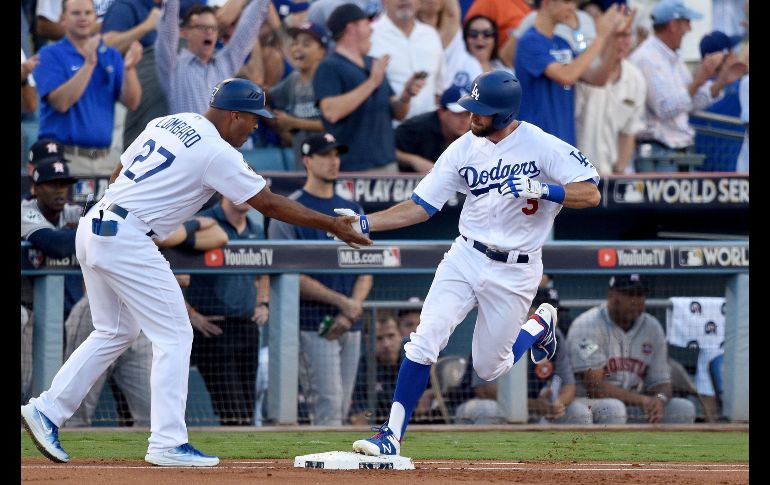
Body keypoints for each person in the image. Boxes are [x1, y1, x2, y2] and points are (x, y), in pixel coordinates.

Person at [20, 77, 371, 467]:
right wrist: (332, 225)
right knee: (174, 333)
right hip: (127, 233)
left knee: (116, 330)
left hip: (97, 224)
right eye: (253, 119)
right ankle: (167, 442)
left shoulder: (169, 121)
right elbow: (268, 203)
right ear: (234, 114)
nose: (256, 126)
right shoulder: (216, 151)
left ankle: (47, 410)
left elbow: (119, 170)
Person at [348, 69, 600, 456]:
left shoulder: (542, 145)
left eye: (481, 111)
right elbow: (420, 206)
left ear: (504, 114)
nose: (472, 116)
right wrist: (367, 223)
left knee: (489, 368)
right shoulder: (463, 148)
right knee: (425, 338)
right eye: (472, 107)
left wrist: (543, 187)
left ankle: (538, 325)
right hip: (466, 255)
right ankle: (390, 435)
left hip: (517, 268)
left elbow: (591, 194)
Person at [268, 132, 373, 425]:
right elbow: (288, 274)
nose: (333, 161)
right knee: (328, 405)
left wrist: (353, 307)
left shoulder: (352, 210)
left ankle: (334, 467)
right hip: (312, 323)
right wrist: (343, 303)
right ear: (307, 160)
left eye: (336, 155)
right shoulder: (290, 209)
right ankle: (323, 470)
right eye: (325, 155)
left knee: (342, 405)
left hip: (350, 323)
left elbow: (368, 265)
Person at [628, 0, 748, 172]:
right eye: (687, 23)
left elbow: (690, 104)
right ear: (673, 25)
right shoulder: (647, 58)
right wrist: (700, 80)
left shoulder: (673, 59)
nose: (689, 29)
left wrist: (721, 82)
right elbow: (666, 108)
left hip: (675, 153)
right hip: (658, 154)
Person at [32, 0, 143, 177]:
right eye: (76, 13)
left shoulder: (110, 54)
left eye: (88, 13)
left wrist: (129, 68)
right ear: (62, 19)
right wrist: (89, 63)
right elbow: (61, 103)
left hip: (105, 159)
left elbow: (132, 102)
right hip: (64, 160)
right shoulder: (49, 54)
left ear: (96, 18)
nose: (83, 18)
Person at [186, 196, 270, 426]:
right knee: (232, 411)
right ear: (224, 189)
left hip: (247, 327)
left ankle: (242, 461)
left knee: (247, 410)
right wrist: (191, 314)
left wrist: (263, 302)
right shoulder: (204, 222)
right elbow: (172, 270)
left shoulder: (256, 228)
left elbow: (266, 270)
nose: (245, 195)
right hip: (213, 329)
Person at [567, 274, 697, 424]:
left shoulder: (652, 327)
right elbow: (594, 387)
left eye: (640, 295)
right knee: (614, 408)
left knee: (683, 408)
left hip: (635, 402)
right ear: (611, 295)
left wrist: (659, 400)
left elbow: (662, 382)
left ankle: (662, 449)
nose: (636, 301)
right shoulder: (587, 325)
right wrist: (642, 400)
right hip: (588, 403)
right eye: (629, 294)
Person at [313, 3, 426, 172]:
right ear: (352, 28)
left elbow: (398, 114)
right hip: (353, 167)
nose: (372, 30)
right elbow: (331, 112)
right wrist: (372, 83)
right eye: (367, 24)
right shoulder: (329, 67)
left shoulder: (373, 64)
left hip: (387, 163)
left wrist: (406, 95)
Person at [515, 0, 626, 146]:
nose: (572, 8)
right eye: (567, 2)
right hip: (535, 144)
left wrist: (614, 38)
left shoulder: (563, 43)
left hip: (564, 142)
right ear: (547, 2)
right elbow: (566, 76)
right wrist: (600, 37)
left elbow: (598, 79)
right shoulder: (529, 41)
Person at [155, 0, 269, 115]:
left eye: (213, 28)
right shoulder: (174, 66)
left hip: (220, 133)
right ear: (185, 32)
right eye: (202, 27)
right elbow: (167, 29)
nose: (209, 32)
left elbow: (250, 25)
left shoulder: (225, 64)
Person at [574, 23, 646, 175]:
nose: (621, 42)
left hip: (610, 174)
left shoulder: (636, 78)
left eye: (626, 36)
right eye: (616, 36)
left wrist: (619, 171)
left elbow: (628, 131)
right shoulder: (585, 71)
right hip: (575, 172)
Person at [21, 159, 84, 320]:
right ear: (36, 189)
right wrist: (94, 233)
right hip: (30, 310)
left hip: (71, 310)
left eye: (63, 184)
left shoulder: (71, 211)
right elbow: (58, 246)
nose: (59, 191)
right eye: (52, 184)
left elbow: (111, 222)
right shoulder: (25, 212)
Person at [101, 0, 167, 149]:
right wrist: (146, 26)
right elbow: (106, 46)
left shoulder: (169, 9)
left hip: (156, 108)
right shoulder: (126, 6)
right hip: (125, 105)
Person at [369, 0, 446, 121]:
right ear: (383, 2)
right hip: (388, 131)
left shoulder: (431, 35)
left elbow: (439, 89)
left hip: (428, 131)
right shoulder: (370, 35)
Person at [267, 22, 329, 166]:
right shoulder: (293, 79)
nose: (297, 48)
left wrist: (293, 123)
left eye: (306, 44)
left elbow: (333, 124)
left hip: (329, 163)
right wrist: (282, 129)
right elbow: (265, 98)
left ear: (322, 52)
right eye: (295, 43)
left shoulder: (329, 79)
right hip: (301, 162)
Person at [394, 84, 471, 173]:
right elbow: (386, 149)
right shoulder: (417, 127)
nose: (464, 120)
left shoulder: (474, 132)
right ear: (441, 112)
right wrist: (413, 160)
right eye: (458, 114)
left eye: (468, 114)